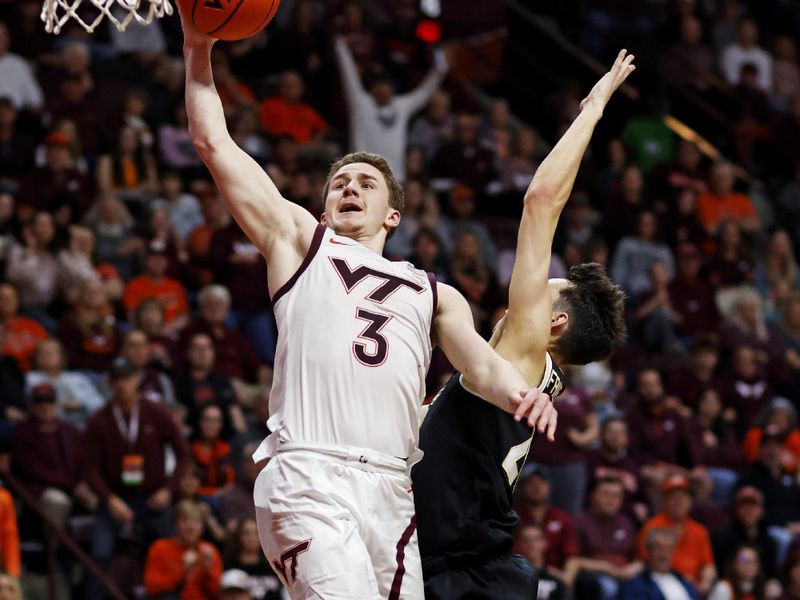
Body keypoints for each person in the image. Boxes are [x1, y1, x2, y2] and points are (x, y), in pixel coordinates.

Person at [180, 10, 554, 598]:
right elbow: (212, 142)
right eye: (339, 183)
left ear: (393, 216)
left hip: (391, 492)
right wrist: (198, 47)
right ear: (326, 207)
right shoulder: (300, 241)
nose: (350, 187)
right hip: (309, 471)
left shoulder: (434, 291)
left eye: (365, 183)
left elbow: (479, 367)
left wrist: (521, 395)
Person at [413, 50, 633, 599]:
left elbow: (540, 201)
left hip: (456, 568)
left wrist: (594, 106)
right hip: (463, 561)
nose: (529, 293)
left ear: (555, 322)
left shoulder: (526, 352)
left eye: (548, 290)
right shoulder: (521, 375)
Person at [83, 356, 191, 596]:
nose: (123, 385)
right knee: (100, 552)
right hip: (115, 499)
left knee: (168, 548)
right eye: (117, 380)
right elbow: (88, 468)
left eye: (127, 378)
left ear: (137, 379)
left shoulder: (156, 412)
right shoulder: (100, 420)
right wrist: (109, 499)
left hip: (153, 497)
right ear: (110, 384)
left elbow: (183, 452)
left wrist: (168, 489)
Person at [638, 475, 717, 594]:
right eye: (673, 497)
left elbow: (708, 566)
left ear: (690, 501)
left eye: (683, 497)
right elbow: (645, 562)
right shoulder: (652, 527)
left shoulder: (699, 530)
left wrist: (705, 582)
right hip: (662, 582)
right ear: (664, 501)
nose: (679, 501)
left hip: (694, 587)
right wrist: (678, 578)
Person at [143, 500, 223, 600]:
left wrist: (208, 570)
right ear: (175, 524)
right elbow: (152, 588)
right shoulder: (160, 547)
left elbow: (219, 593)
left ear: (202, 527)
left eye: (196, 522)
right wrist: (183, 570)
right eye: (184, 521)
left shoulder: (209, 551)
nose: (190, 527)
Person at [622, 529, 701, 600]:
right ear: (649, 551)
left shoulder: (684, 581)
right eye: (659, 548)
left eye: (669, 549)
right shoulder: (637, 585)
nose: (664, 554)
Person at [516, 525, 568, 600]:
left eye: (536, 539)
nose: (531, 544)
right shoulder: (513, 577)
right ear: (519, 544)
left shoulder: (556, 579)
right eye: (526, 540)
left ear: (545, 543)